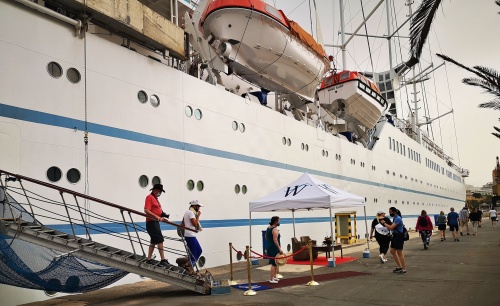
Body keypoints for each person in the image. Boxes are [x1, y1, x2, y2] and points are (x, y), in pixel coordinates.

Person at [144, 183, 169, 266]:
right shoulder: (149, 197)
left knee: (154, 241)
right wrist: (156, 217)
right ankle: (163, 259)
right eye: (159, 191)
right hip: (152, 222)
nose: (160, 193)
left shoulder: (155, 198)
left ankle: (149, 259)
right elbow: (146, 210)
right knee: (160, 240)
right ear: (155, 190)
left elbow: (157, 210)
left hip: (155, 222)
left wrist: (162, 216)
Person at [379, 207, 406, 274]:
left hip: (399, 236)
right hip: (395, 236)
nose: (390, 213)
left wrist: (384, 223)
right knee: (392, 251)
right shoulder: (395, 218)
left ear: (394, 212)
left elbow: (391, 227)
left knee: (399, 252)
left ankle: (404, 269)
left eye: (390, 212)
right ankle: (399, 266)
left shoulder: (398, 218)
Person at [183, 200, 204, 267]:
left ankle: (190, 265)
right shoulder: (191, 213)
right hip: (190, 235)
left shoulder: (187, 212)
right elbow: (194, 224)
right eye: (198, 206)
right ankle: (189, 268)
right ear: (194, 206)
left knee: (199, 251)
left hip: (189, 235)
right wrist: (198, 216)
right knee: (194, 254)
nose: (199, 208)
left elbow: (182, 223)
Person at [266, 216, 283, 284]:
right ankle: (271, 278)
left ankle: (274, 276)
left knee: (276, 262)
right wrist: (279, 249)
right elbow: (275, 240)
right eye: (279, 221)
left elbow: (266, 237)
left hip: (269, 246)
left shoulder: (268, 228)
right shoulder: (275, 229)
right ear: (276, 221)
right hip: (274, 247)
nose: (279, 222)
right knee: (274, 263)